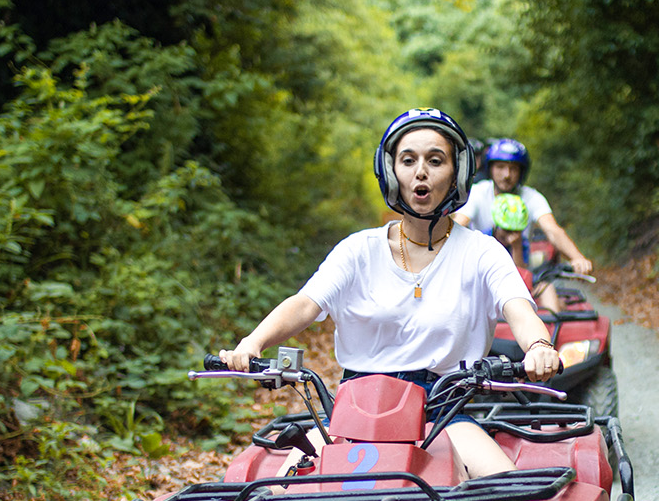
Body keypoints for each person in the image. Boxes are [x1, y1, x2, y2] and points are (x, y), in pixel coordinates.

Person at [218, 108, 560, 479]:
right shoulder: (357, 249)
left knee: (507, 497)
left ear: (457, 173)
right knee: (277, 499)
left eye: (436, 160)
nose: (421, 171)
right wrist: (252, 343)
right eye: (408, 160)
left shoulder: (482, 252)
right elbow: (305, 304)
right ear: (391, 171)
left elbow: (519, 309)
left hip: (440, 411)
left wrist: (539, 346)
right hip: (352, 415)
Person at [449, 138, 594, 313]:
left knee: (548, 293)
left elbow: (552, 230)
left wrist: (577, 257)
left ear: (521, 172)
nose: (507, 174)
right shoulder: (479, 193)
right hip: (477, 275)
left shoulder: (531, 197)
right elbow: (459, 223)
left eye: (513, 168)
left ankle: (549, 334)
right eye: (500, 167)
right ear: (491, 169)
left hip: (521, 275)